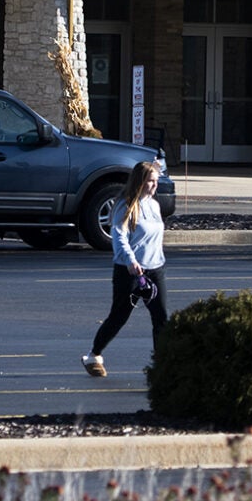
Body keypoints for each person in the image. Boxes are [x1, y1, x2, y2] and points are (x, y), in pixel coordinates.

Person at [83, 159, 166, 377]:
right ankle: (94, 355)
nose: (154, 185)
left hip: (155, 269)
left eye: (156, 181)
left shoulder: (154, 205)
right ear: (139, 182)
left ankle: (162, 365)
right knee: (119, 316)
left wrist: (159, 165)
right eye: (150, 181)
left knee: (161, 318)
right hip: (128, 271)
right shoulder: (126, 205)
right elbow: (119, 237)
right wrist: (130, 260)